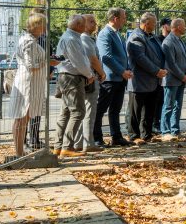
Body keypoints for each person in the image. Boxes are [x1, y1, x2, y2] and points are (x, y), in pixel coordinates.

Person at [54, 15, 94, 157]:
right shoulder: (71, 39)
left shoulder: (72, 37)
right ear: (78, 25)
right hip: (72, 78)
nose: (86, 27)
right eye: (84, 24)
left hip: (69, 77)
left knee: (66, 112)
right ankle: (67, 147)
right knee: (78, 112)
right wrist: (89, 75)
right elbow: (79, 62)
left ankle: (59, 146)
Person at [9, 13, 48, 158]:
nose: (45, 29)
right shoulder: (29, 42)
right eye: (44, 25)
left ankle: (20, 151)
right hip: (28, 85)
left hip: (30, 83)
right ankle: (19, 152)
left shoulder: (29, 40)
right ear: (37, 26)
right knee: (21, 119)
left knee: (22, 119)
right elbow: (31, 66)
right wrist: (48, 63)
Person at [126, 12, 167, 143]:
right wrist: (156, 71)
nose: (156, 25)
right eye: (154, 23)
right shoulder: (136, 37)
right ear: (146, 23)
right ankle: (134, 136)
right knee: (135, 110)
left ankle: (146, 134)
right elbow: (140, 58)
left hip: (153, 80)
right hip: (140, 80)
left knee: (149, 109)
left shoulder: (152, 37)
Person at [95, 8, 132, 147]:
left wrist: (127, 69)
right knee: (101, 109)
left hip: (120, 78)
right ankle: (96, 138)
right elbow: (106, 56)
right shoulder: (105, 34)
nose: (125, 20)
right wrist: (122, 71)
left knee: (115, 109)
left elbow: (123, 54)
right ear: (115, 18)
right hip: (110, 79)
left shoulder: (118, 34)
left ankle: (116, 136)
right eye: (123, 17)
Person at [73, 14, 106, 152]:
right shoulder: (85, 39)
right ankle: (87, 143)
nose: (95, 24)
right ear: (83, 24)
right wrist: (102, 73)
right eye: (91, 21)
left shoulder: (85, 38)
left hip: (88, 78)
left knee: (85, 111)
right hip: (90, 79)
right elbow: (93, 59)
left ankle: (81, 143)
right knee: (89, 111)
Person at [160, 18, 186, 140]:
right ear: (178, 27)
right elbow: (171, 63)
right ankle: (165, 131)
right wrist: (182, 75)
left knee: (177, 106)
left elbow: (185, 59)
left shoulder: (180, 40)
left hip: (181, 79)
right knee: (168, 106)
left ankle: (175, 130)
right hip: (171, 80)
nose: (185, 27)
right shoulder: (168, 42)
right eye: (184, 25)